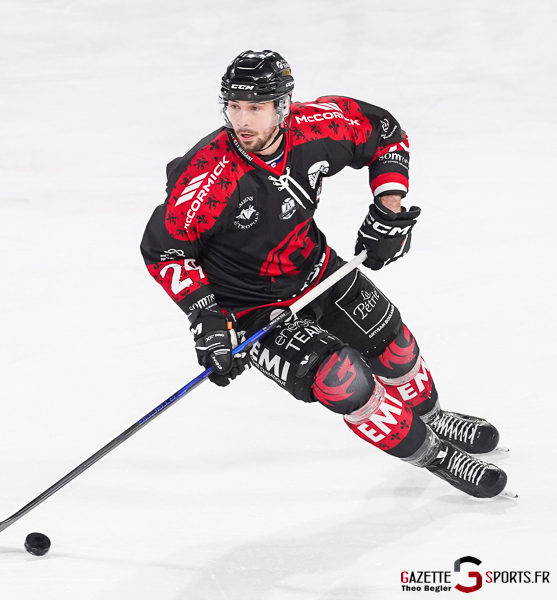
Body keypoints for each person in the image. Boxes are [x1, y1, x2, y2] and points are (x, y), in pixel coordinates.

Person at [140, 50, 510, 499]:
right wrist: (209, 320)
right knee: (343, 380)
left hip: (316, 269)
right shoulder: (207, 175)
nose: (243, 120)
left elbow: (385, 133)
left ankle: (434, 418)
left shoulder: (319, 126)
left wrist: (387, 212)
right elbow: (166, 250)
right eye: (234, 106)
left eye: (255, 107)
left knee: (396, 348)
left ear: (282, 106)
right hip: (251, 308)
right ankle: (437, 456)